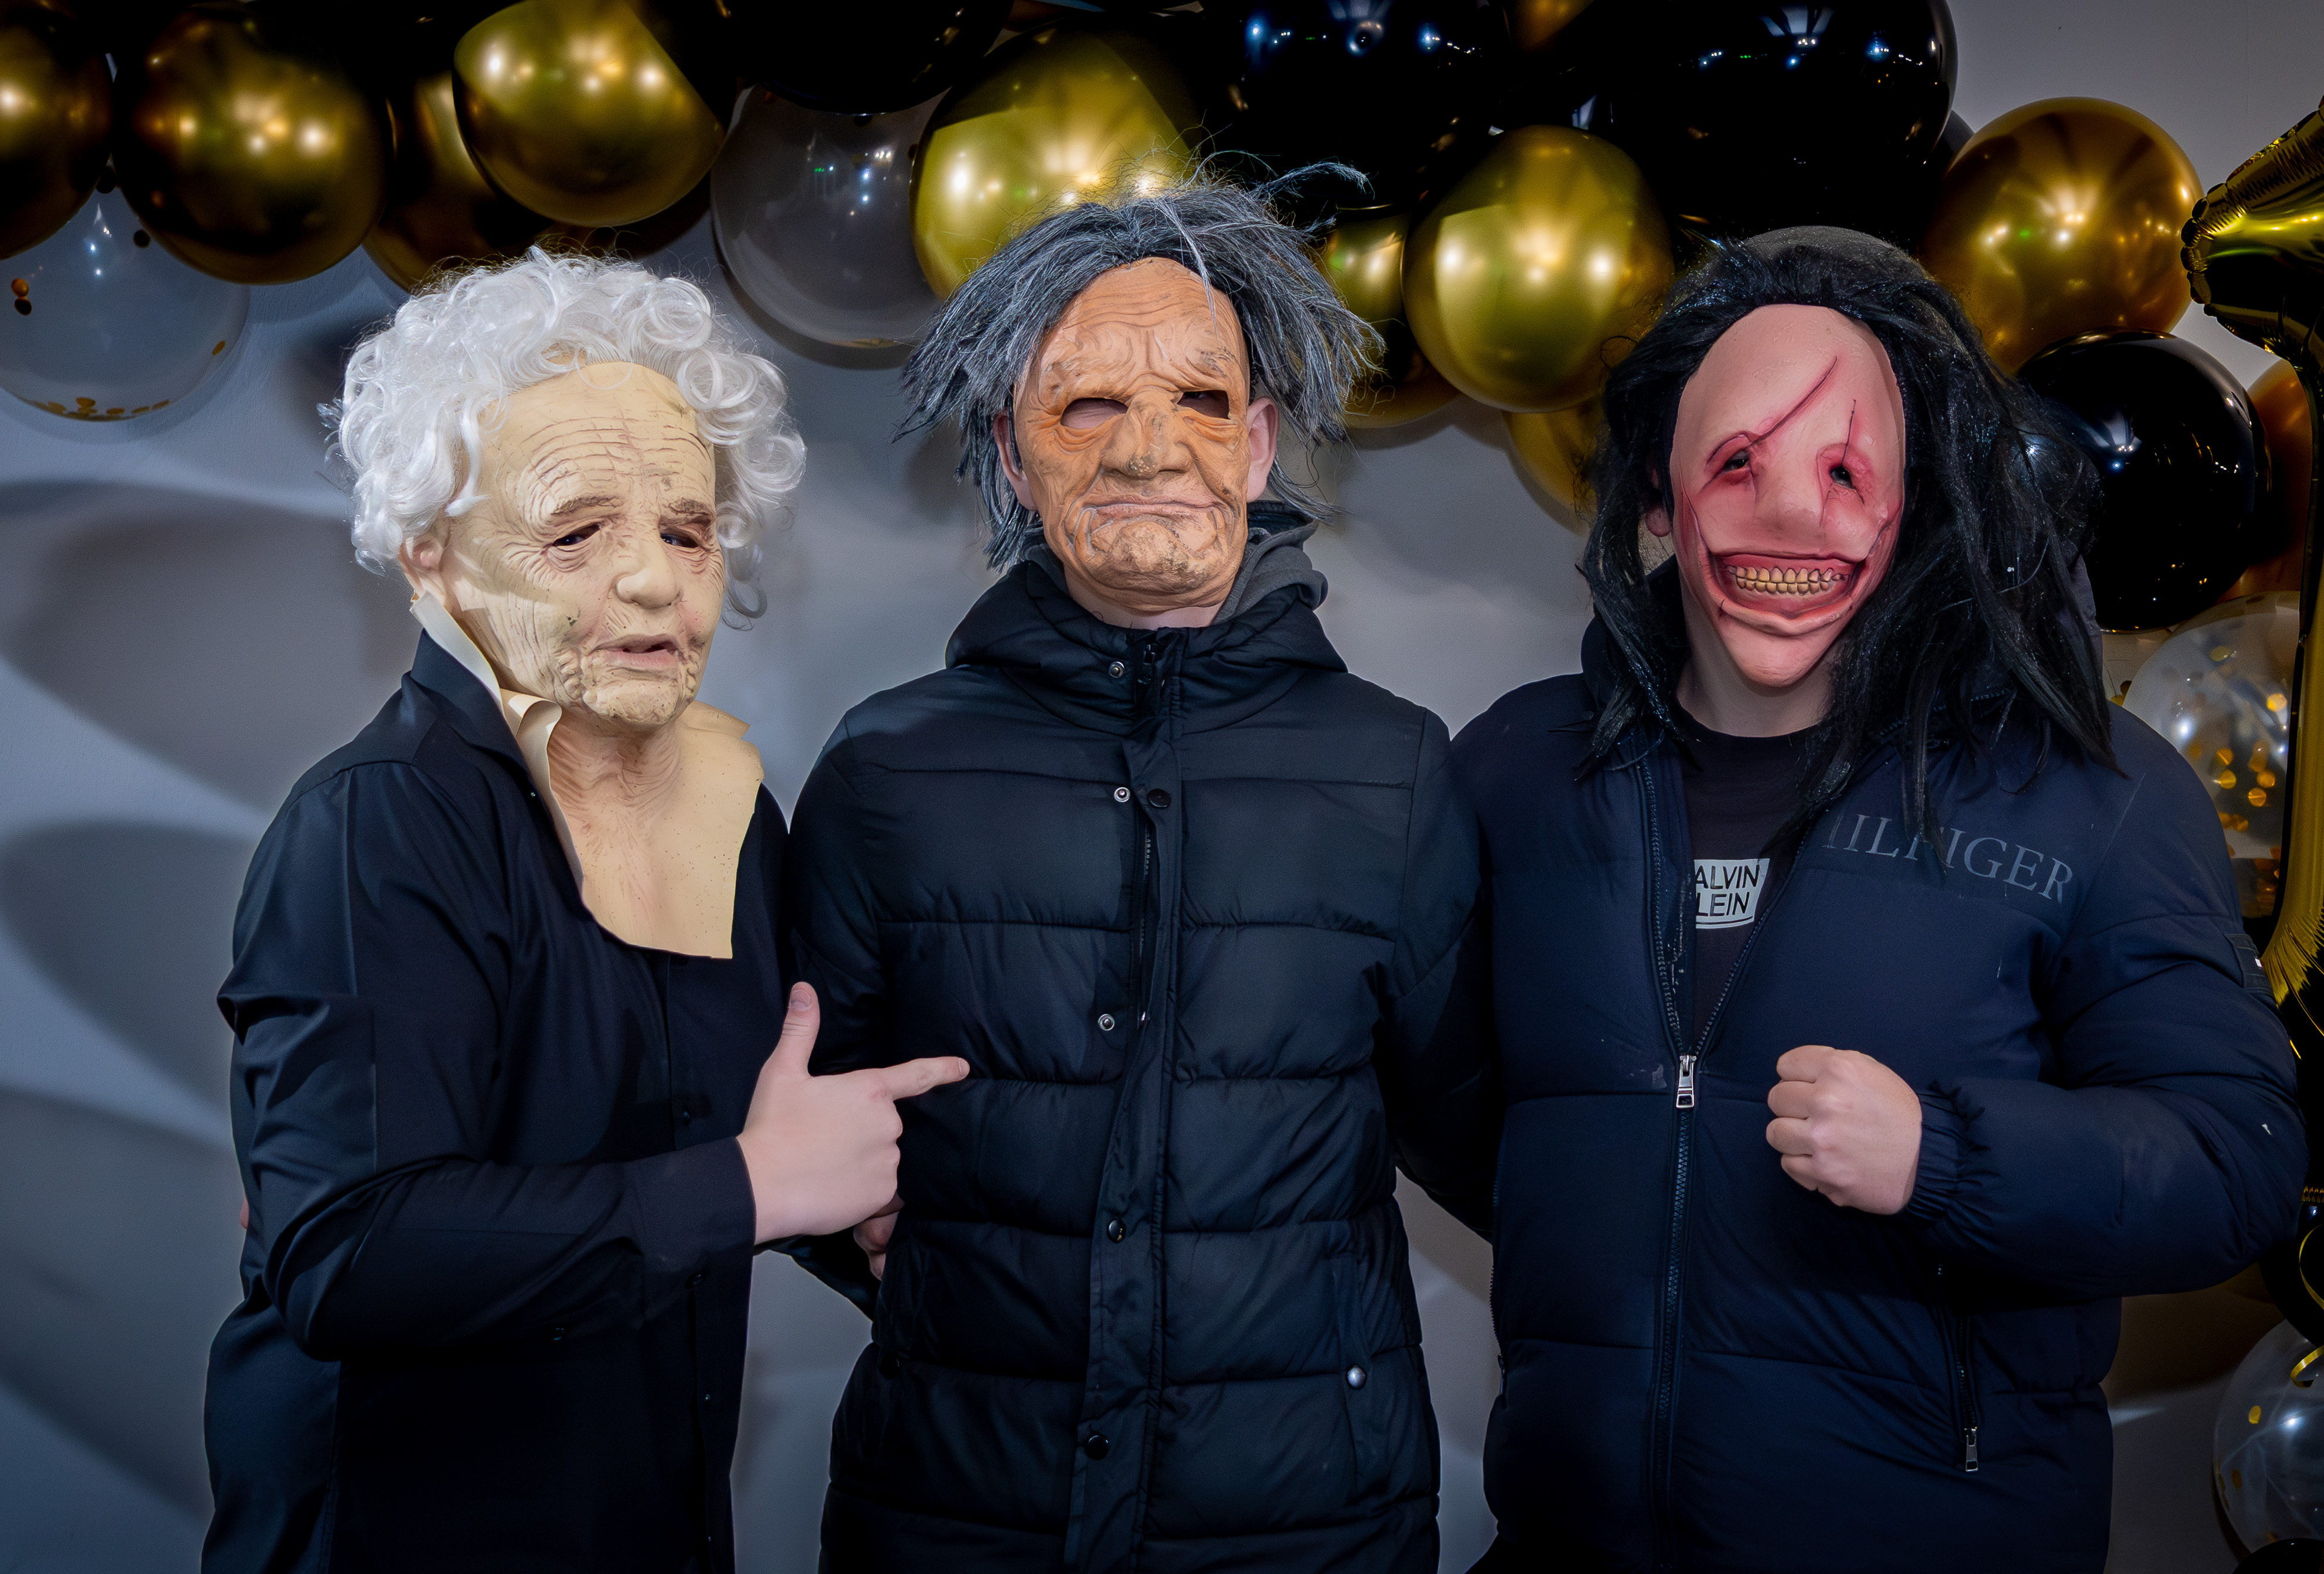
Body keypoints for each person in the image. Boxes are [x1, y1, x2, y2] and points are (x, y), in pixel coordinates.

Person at [1448, 227, 2306, 1572]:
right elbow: (1451, 1102)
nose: (1791, 515)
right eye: (1737, 463)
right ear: (1658, 497)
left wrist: (1942, 1162)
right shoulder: (1516, 771)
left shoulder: (2089, 791)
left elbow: (2235, 1165)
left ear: (1920, 502)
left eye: (1844, 472)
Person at [202, 250, 966, 1574]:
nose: (658, 582)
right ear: (433, 553)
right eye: (575, 532)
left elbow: (711, 1143)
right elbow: (349, 1253)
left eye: (687, 530)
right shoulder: (378, 823)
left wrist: (854, 1226)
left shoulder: (730, 813)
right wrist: (751, 1185)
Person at [784, 177, 1490, 1571]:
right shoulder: (883, 769)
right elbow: (797, 1120)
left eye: (1199, 401)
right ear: (1010, 450)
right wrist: (851, 1229)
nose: (1148, 447)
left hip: (1303, 1525)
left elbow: (1479, 1133)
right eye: (1088, 404)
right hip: (959, 1510)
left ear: (1258, 443)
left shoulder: (1394, 769)